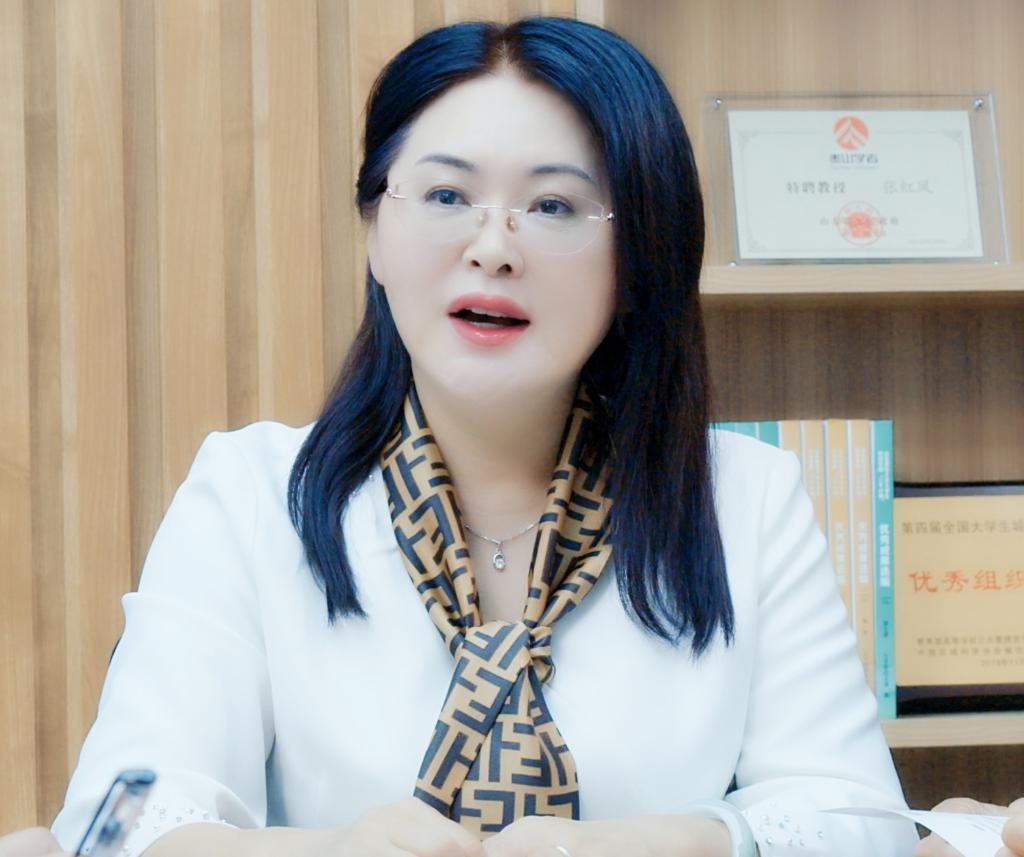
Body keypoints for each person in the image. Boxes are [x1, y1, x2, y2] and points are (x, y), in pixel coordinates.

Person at [50, 17, 918, 857]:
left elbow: (860, 818)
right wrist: (331, 850)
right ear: (375, 233)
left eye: (553, 204)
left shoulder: (746, 500)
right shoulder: (250, 493)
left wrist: (673, 840)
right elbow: (115, 824)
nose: (492, 247)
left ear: (636, 258)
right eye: (445, 195)